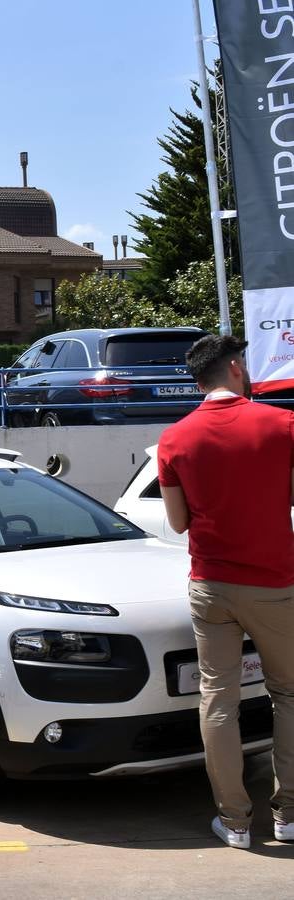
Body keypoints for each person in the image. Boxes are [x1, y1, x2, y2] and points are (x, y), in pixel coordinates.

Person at [158, 333, 294, 850]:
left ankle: (235, 822)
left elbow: (176, 521)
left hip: (211, 585)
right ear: (236, 367)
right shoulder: (282, 424)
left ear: (199, 379)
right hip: (275, 584)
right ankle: (289, 816)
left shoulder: (175, 438)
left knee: (218, 699)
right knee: (289, 694)